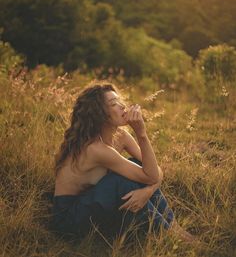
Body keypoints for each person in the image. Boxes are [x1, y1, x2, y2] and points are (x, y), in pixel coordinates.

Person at [52, 82, 195, 242]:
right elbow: (152, 176)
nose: (122, 106)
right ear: (100, 114)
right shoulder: (95, 149)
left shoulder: (121, 136)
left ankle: (175, 229)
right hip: (69, 219)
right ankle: (171, 235)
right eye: (114, 104)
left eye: (120, 101)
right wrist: (141, 134)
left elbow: (154, 171)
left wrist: (146, 192)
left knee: (136, 166)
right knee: (122, 181)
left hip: (95, 203)